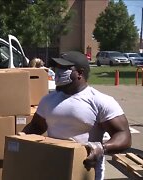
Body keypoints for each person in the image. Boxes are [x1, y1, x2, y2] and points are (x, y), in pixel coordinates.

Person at [22, 51, 131, 180]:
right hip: (52, 166)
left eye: (64, 68)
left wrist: (102, 148)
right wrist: (21, 137)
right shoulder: (48, 100)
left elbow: (123, 135)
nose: (58, 72)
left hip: (85, 171)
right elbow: (36, 126)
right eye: (57, 68)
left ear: (80, 73)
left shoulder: (100, 101)